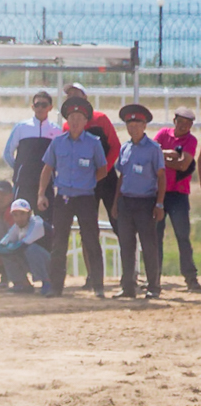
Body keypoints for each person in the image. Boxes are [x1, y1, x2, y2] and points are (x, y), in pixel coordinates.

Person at [37, 96, 109, 299]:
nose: (75, 121)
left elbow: (102, 169)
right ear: (67, 120)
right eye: (72, 117)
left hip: (86, 198)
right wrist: (41, 193)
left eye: (79, 117)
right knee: (58, 243)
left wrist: (89, 182)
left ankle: (98, 286)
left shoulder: (94, 143)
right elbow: (47, 168)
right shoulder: (58, 142)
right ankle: (56, 287)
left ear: (86, 121)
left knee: (91, 241)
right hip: (63, 199)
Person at [113, 104, 167, 300]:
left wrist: (159, 203)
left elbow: (161, 177)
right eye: (129, 123)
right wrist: (115, 202)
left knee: (149, 246)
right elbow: (122, 176)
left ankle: (153, 285)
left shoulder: (154, 149)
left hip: (145, 202)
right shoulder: (125, 148)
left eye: (137, 124)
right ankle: (128, 286)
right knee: (126, 245)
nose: (133, 127)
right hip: (126, 202)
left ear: (145, 125)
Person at [66, 83, 121, 233]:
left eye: (76, 94)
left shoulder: (100, 118)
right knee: (87, 226)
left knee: (118, 221)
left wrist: (103, 170)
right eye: (69, 95)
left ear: (85, 97)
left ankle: (130, 257)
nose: (72, 98)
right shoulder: (67, 126)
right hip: (85, 182)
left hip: (107, 177)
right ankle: (90, 257)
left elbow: (115, 146)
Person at [156, 105, 199, 292]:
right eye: (181, 122)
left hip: (179, 194)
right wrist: (172, 155)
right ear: (174, 121)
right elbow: (152, 151)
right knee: (155, 236)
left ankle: (190, 278)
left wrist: (161, 156)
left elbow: (183, 165)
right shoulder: (163, 133)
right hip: (159, 192)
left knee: (183, 236)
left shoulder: (191, 140)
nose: (183, 127)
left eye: (187, 124)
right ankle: (153, 277)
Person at [3, 91, 61, 211]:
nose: (40, 108)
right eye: (37, 104)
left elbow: (60, 158)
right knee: (20, 222)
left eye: (44, 105)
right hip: (24, 184)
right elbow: (7, 153)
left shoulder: (56, 131)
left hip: (46, 186)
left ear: (50, 107)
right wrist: (20, 168)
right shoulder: (21, 127)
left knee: (46, 223)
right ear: (32, 107)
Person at [0, 198, 52, 294]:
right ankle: (22, 284)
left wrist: (9, 247)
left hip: (52, 263)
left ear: (29, 214)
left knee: (30, 249)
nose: (19, 218)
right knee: (8, 253)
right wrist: (9, 248)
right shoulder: (16, 227)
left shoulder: (37, 223)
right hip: (33, 260)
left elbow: (23, 246)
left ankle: (47, 281)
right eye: (16, 215)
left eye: (22, 214)